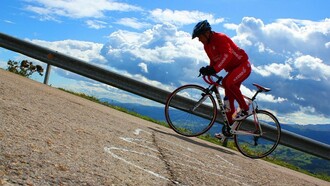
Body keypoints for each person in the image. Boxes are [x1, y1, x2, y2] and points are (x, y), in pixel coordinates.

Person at [192, 20, 252, 138]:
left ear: (207, 33)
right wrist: (208, 69)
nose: (199, 40)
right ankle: (228, 130)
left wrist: (214, 70)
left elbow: (227, 55)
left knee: (226, 82)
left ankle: (245, 109)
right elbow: (214, 60)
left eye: (199, 36)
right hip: (233, 71)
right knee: (227, 102)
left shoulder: (220, 38)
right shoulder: (206, 45)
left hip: (243, 66)